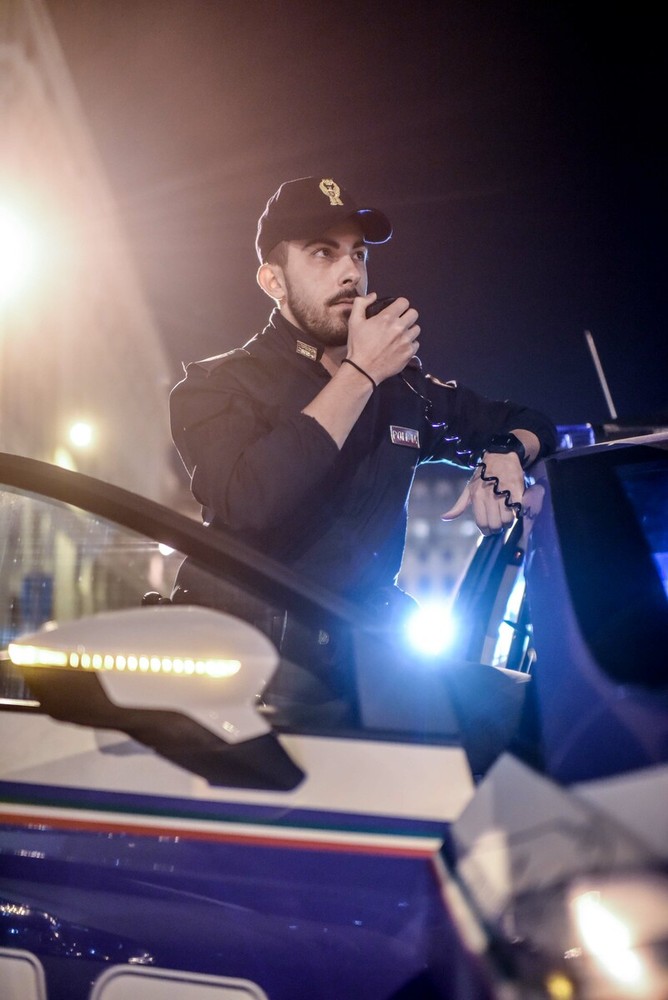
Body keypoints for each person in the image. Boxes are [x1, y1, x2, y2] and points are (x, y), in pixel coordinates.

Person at [169, 176, 557, 644]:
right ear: (273, 280)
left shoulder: (401, 388)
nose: (351, 272)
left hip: (364, 651)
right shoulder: (218, 384)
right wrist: (360, 372)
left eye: (359, 254)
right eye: (322, 253)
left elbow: (532, 422)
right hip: (243, 653)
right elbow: (248, 499)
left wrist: (504, 450)